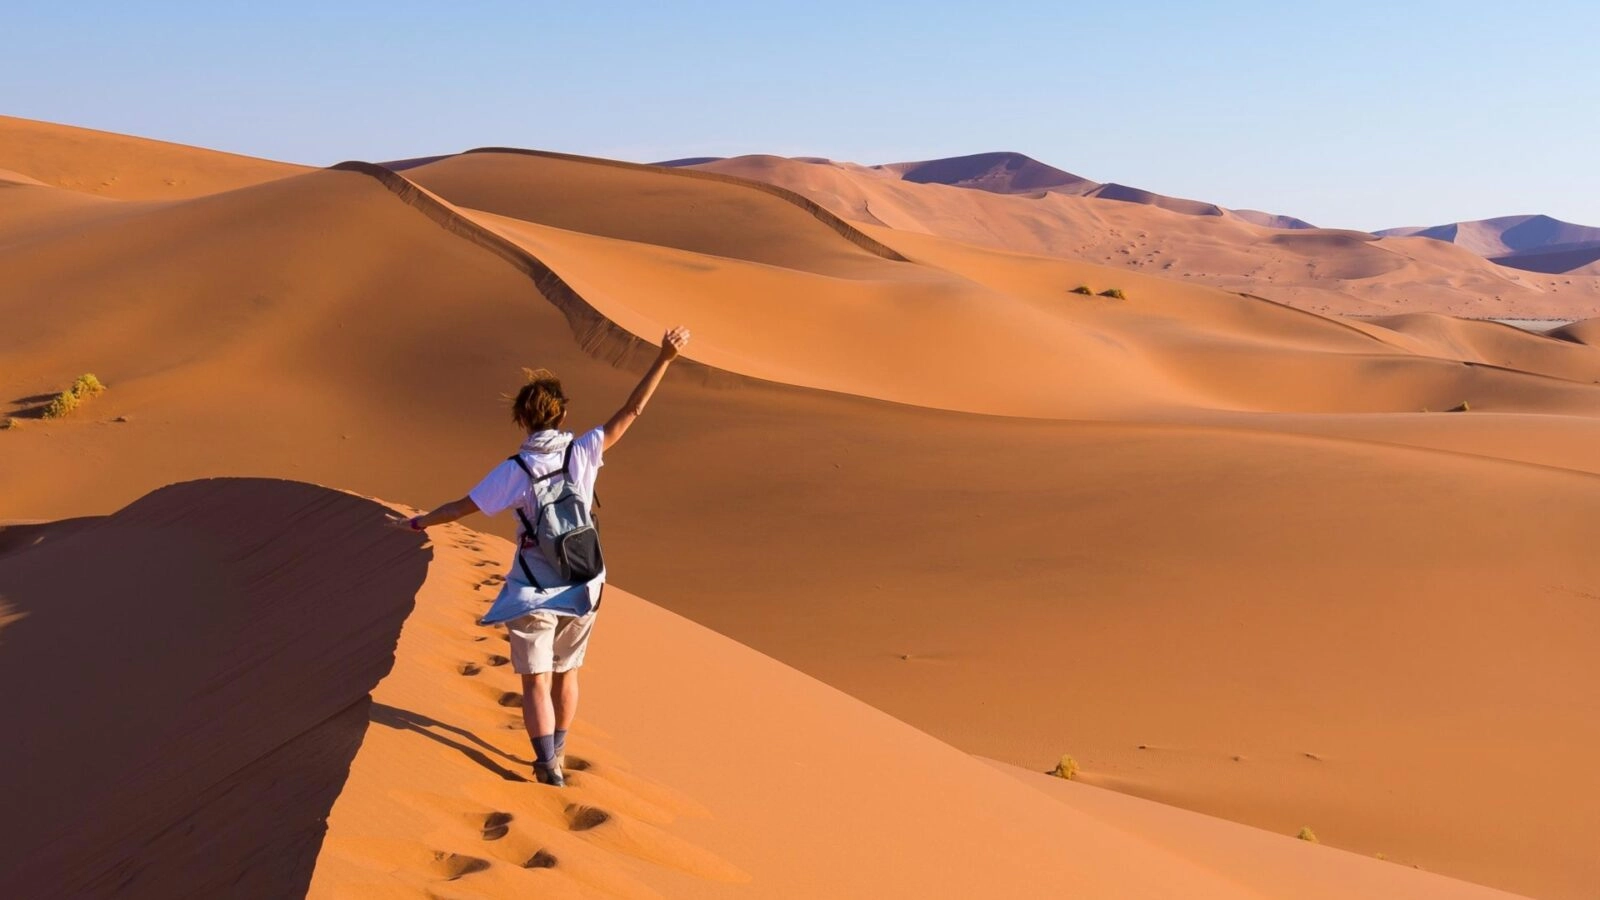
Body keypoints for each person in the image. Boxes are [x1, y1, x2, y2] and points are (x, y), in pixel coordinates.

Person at [396, 326, 691, 785]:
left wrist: (416, 523)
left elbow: (459, 509)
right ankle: (559, 749)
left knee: (534, 679)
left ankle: (546, 764)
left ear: (522, 420)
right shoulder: (584, 448)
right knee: (566, 673)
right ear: (562, 413)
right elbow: (631, 409)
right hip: (585, 581)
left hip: (533, 587)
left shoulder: (514, 471)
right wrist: (665, 359)